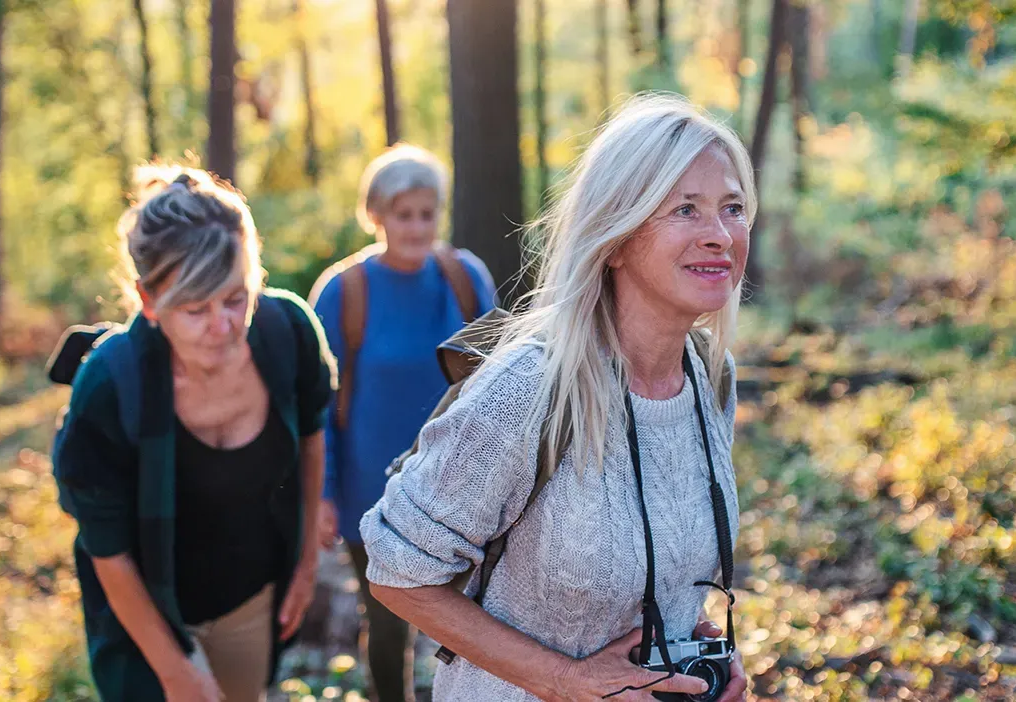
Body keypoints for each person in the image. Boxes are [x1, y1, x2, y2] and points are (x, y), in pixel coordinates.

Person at [358, 94, 753, 701]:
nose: (720, 235)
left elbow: (663, 565)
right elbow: (395, 570)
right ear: (616, 237)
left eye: (732, 207)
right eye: (685, 210)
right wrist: (566, 680)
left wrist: (698, 654)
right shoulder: (529, 390)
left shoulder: (709, 376)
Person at [52, 165, 336, 702]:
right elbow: (106, 549)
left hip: (249, 600)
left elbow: (312, 439)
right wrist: (177, 670)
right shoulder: (110, 386)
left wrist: (305, 564)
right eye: (196, 308)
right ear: (149, 301)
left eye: (236, 297)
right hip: (143, 611)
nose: (224, 325)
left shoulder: (288, 334)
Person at [309, 144, 496, 702]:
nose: (416, 227)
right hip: (372, 489)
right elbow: (319, 405)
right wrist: (321, 494)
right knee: (389, 618)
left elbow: (500, 381)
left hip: (458, 481)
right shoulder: (346, 291)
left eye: (427, 213)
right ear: (377, 215)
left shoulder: (464, 277)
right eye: (403, 214)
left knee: (468, 618)